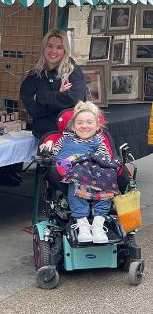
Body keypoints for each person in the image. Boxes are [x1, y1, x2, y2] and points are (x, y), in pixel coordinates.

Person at [41, 101, 119, 244]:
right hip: (72, 172)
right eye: (80, 123)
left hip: (93, 172)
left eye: (89, 122)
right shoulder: (64, 139)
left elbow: (105, 158)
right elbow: (52, 154)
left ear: (97, 127)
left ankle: (98, 224)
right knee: (76, 181)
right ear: (73, 126)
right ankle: (82, 224)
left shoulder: (99, 140)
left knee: (107, 177)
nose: (84, 126)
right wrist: (47, 147)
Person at [20, 29, 87, 140]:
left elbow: (74, 100)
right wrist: (58, 96)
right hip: (43, 136)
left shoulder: (73, 72)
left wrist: (41, 97)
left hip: (70, 136)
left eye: (59, 47)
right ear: (43, 48)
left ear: (65, 50)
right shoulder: (34, 75)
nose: (53, 51)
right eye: (50, 46)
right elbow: (31, 108)